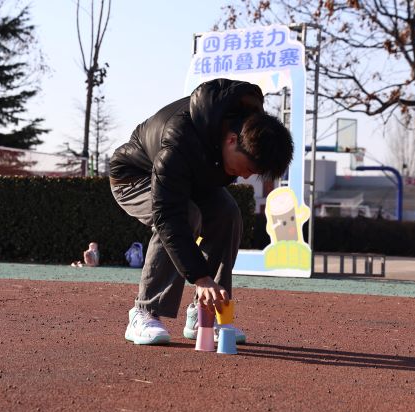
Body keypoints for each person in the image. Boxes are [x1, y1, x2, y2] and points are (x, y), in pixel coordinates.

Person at [109, 78, 294, 346]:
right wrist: (200, 277)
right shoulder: (179, 138)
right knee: (186, 215)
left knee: (228, 214)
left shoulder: (249, 127)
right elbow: (168, 216)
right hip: (134, 177)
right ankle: (145, 311)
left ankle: (204, 313)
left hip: (191, 179)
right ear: (232, 140)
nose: (244, 176)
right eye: (247, 168)